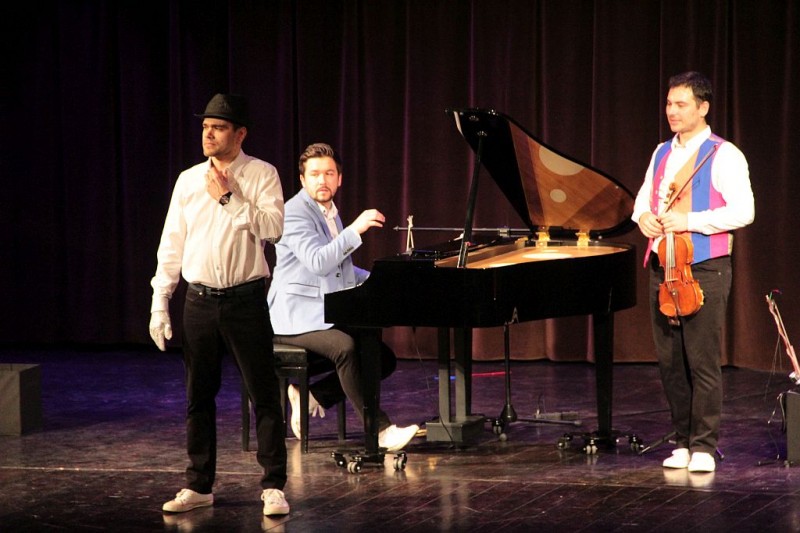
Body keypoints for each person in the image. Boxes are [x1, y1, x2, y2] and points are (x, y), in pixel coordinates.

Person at [149, 93, 290, 516]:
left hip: (246, 299)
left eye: (219, 127)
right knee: (198, 396)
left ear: (239, 133)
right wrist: (160, 301)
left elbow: (274, 229)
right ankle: (198, 485)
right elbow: (172, 243)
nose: (208, 134)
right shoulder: (188, 180)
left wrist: (230, 198)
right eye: (205, 127)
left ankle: (273, 486)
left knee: (263, 394)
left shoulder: (262, 173)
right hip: (199, 301)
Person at [632, 72, 755, 473]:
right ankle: (682, 441)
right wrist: (644, 218)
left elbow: (744, 212)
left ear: (703, 108)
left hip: (704, 267)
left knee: (701, 360)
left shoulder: (725, 154)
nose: (672, 111)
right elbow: (642, 200)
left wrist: (690, 221)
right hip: (663, 265)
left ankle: (704, 445)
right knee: (670, 362)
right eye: (669, 103)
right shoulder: (661, 152)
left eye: (681, 104)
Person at [267, 142, 419, 451]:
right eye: (314, 174)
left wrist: (381, 279)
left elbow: (341, 270)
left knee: (382, 357)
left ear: (340, 178)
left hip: (322, 310)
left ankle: (312, 395)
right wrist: (355, 230)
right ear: (302, 179)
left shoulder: (329, 212)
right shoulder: (294, 213)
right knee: (345, 348)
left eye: (328, 173)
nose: (322, 180)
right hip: (293, 316)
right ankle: (380, 431)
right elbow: (319, 262)